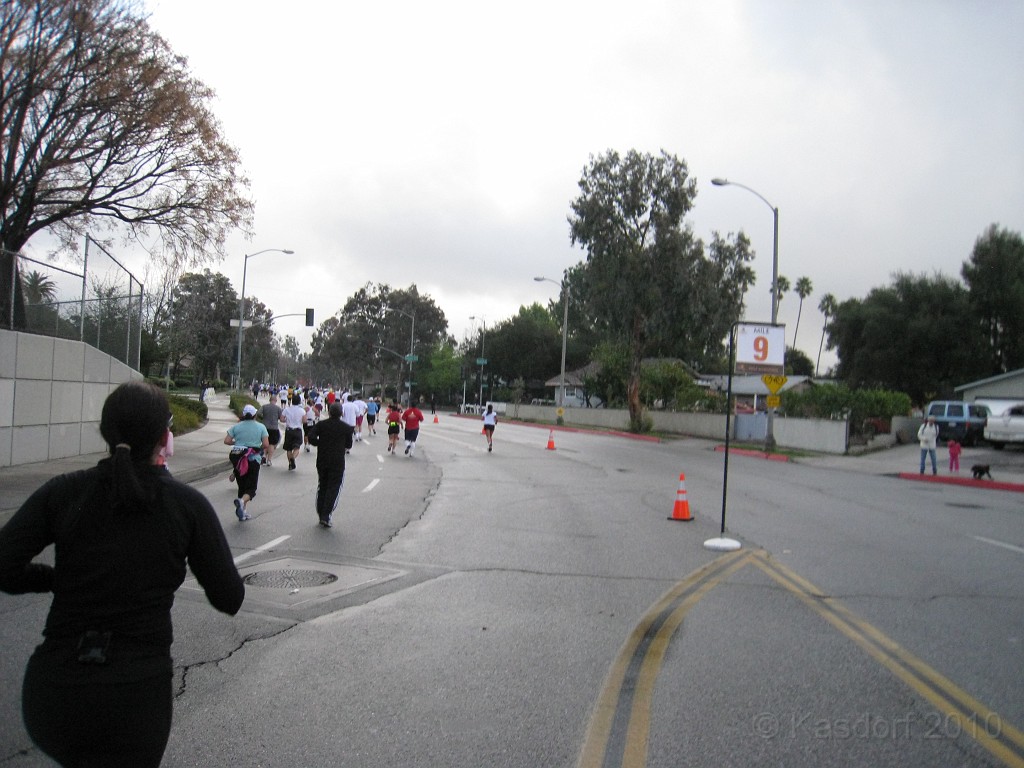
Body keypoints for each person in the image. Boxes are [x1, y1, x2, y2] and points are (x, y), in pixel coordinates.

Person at [0, 381, 244, 768]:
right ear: (164, 437)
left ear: (105, 432)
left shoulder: (63, 492)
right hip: (134, 697)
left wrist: (53, 579)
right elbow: (229, 597)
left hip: (55, 689)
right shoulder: (186, 505)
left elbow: (4, 565)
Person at [307, 402, 354, 527]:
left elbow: (311, 436)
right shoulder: (346, 428)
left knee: (322, 485)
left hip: (322, 459)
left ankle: (320, 511)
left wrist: (319, 443)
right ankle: (326, 514)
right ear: (341, 413)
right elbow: (349, 445)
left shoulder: (321, 425)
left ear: (329, 412)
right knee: (334, 487)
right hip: (337, 461)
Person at [225, 404, 271, 520]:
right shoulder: (261, 427)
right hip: (253, 458)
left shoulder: (237, 427)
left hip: (238, 458)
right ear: (255, 415)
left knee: (242, 486)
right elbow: (266, 444)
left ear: (244, 415)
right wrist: (256, 447)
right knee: (251, 488)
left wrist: (237, 442)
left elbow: (227, 441)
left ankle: (243, 511)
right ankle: (241, 502)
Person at [280, 395, 306, 471]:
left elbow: (281, 419)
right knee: (297, 447)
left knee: (288, 448)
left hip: (289, 430)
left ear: (292, 401)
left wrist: (287, 420)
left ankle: (290, 464)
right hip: (297, 430)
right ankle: (293, 459)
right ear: (299, 401)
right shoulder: (302, 410)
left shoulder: (287, 409)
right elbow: (304, 421)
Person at [257, 394, 283, 466]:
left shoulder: (264, 407)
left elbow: (258, 413)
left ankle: (264, 456)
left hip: (265, 427)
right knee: (271, 444)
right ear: (276, 400)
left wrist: (263, 417)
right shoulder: (278, 408)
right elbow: (281, 417)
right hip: (274, 428)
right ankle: (269, 460)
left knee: (265, 443)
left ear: (269, 400)